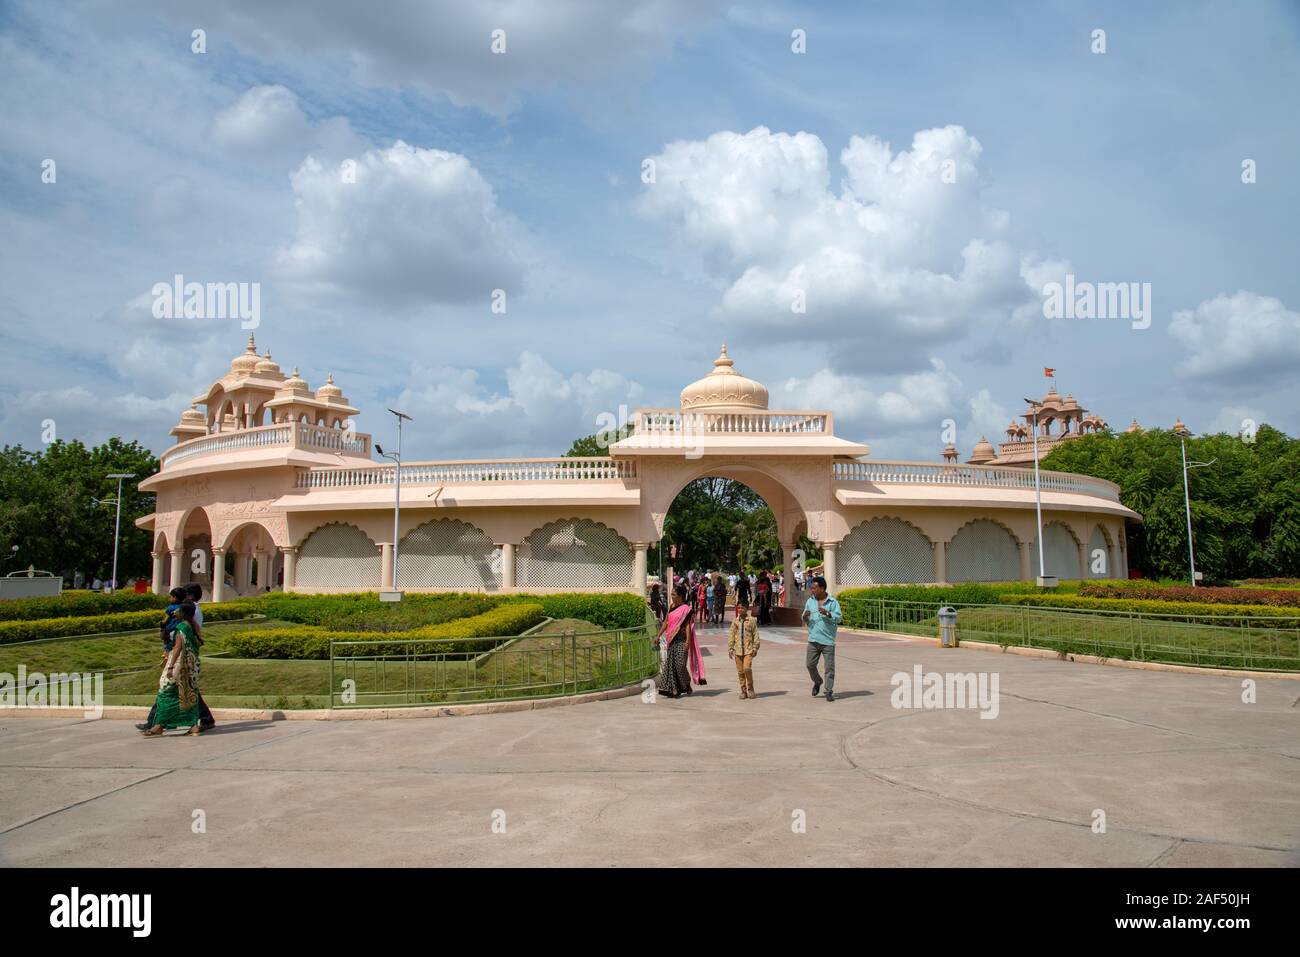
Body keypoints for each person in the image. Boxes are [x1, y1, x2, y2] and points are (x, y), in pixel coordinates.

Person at [140, 601, 203, 736]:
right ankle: (193, 726)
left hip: (179, 665)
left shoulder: (181, 627)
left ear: (183, 613)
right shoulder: (195, 626)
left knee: (165, 693)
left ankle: (159, 725)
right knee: (188, 694)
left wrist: (170, 666)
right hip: (192, 666)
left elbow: (178, 647)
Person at [802, 576, 843, 702]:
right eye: (811, 588)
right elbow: (804, 618)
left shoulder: (832, 602)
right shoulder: (810, 602)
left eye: (814, 588)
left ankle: (829, 690)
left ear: (822, 588)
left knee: (829, 668)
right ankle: (817, 681)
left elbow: (839, 618)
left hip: (828, 641)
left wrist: (828, 613)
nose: (812, 590)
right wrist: (805, 616)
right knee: (810, 665)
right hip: (813, 639)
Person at [654, 585, 696, 698]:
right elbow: (666, 622)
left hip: (682, 640)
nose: (672, 597)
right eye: (671, 595)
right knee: (671, 666)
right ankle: (674, 689)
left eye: (674, 595)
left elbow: (687, 626)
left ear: (680, 596)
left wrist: (688, 641)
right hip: (671, 640)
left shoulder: (685, 609)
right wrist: (658, 636)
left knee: (680, 665)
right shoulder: (671, 606)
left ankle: (686, 683)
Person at [727, 602, 760, 699]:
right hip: (738, 651)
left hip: (748, 650)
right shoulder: (735, 621)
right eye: (739, 608)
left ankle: (750, 688)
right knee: (740, 671)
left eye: (742, 607)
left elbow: (756, 634)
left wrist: (755, 647)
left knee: (747, 668)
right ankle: (743, 690)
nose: (740, 609)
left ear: (746, 608)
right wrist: (730, 648)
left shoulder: (752, 620)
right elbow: (731, 635)